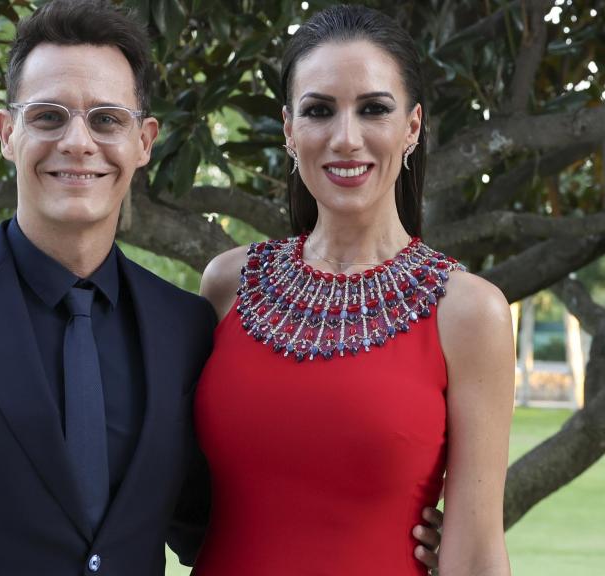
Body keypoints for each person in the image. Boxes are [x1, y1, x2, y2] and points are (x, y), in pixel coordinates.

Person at [0, 1, 444, 575]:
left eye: (105, 119)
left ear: (143, 141)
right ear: (7, 134)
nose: (78, 143)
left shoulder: (182, 328)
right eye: (48, 117)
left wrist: (398, 529)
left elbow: (222, 517)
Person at [195, 5, 514, 575]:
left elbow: (477, 558)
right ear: (290, 130)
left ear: (411, 127)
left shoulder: (470, 314)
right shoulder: (226, 285)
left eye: (373, 110)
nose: (346, 138)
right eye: (320, 111)